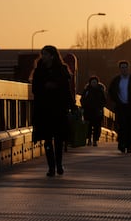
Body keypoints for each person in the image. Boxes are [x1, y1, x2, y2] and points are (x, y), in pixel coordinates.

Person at [31, 45, 76, 177]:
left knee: (58, 139)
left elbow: (67, 91)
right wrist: (45, 87)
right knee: (47, 139)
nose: (43, 57)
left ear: (52, 56)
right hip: (44, 109)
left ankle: (59, 164)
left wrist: (72, 106)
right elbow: (34, 89)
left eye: (45, 54)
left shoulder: (61, 70)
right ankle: (51, 167)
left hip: (58, 109)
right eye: (42, 54)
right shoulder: (39, 71)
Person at [108, 60, 131, 153]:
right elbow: (111, 92)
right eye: (122, 68)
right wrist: (115, 101)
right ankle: (121, 145)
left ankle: (129, 146)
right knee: (122, 126)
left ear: (128, 68)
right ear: (120, 69)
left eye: (125, 67)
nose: (124, 69)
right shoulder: (116, 80)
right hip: (120, 106)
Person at [80, 75, 107, 146]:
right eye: (92, 82)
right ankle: (89, 139)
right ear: (90, 83)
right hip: (88, 111)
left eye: (95, 82)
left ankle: (95, 140)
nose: (94, 83)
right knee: (88, 126)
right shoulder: (87, 90)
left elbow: (104, 100)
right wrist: (83, 106)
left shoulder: (100, 91)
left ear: (97, 83)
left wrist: (101, 107)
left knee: (97, 126)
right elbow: (82, 99)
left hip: (97, 111)